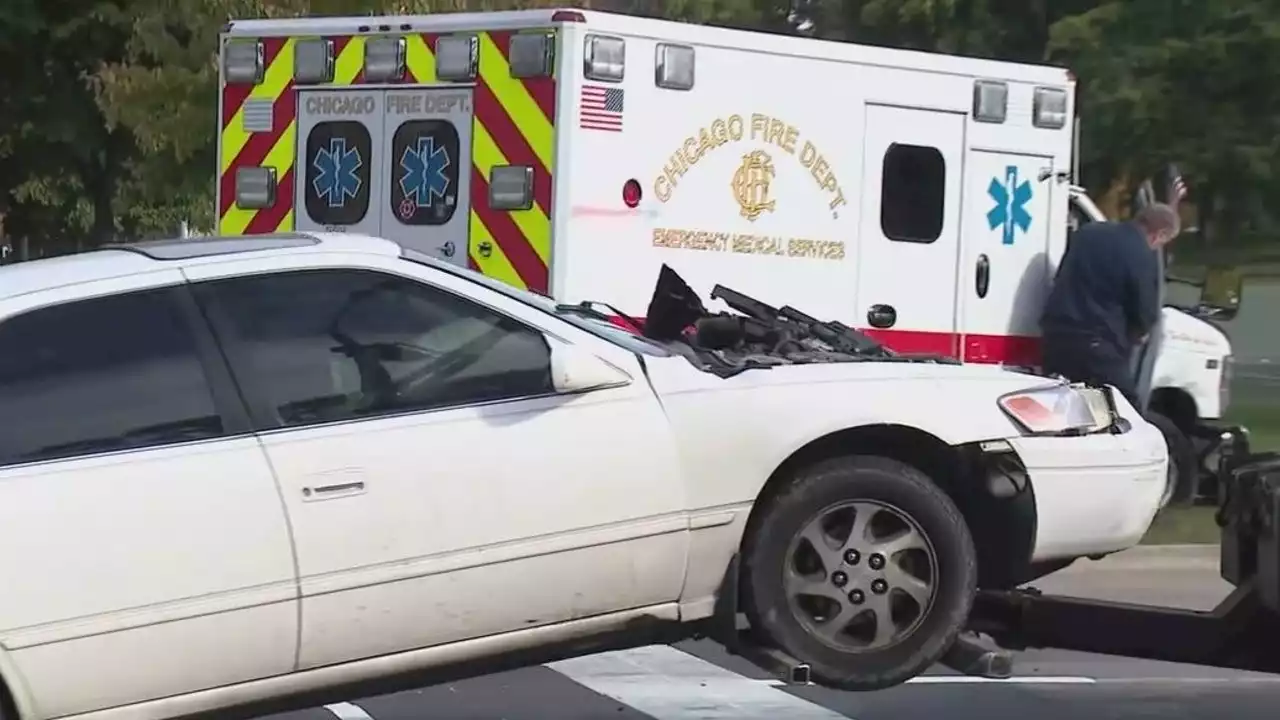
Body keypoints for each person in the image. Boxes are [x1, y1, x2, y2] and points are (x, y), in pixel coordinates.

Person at [1039, 203, 1180, 408]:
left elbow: (1062, 275)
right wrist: (1141, 331)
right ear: (1160, 234)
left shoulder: (1088, 233)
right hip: (1097, 345)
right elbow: (1144, 308)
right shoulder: (1140, 252)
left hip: (1055, 337)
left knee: (1061, 409)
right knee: (1124, 409)